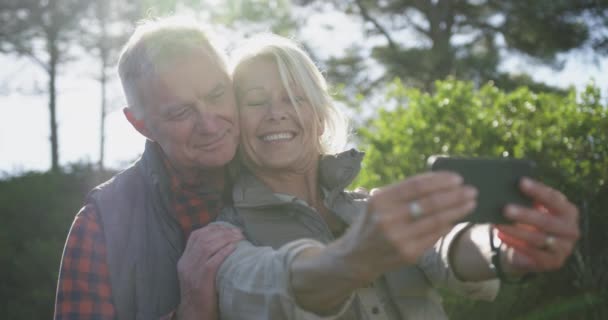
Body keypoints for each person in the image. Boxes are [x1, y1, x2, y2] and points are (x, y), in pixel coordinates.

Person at [214, 34, 581, 319]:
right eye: (256, 100)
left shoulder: (374, 207)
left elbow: (443, 248)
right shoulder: (222, 234)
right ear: (235, 121)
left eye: (294, 97)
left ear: (321, 116)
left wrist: (505, 248)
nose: (277, 113)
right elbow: (266, 288)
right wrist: (356, 256)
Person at [53, 17, 245, 320]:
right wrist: (188, 313)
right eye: (181, 112)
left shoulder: (285, 173)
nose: (210, 124)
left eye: (216, 95)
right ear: (140, 125)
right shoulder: (101, 224)